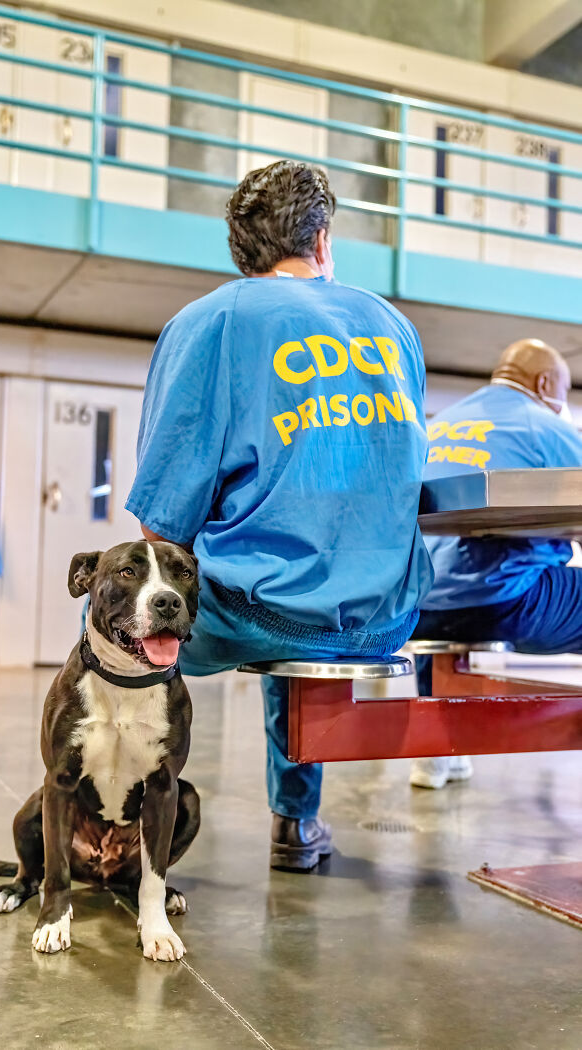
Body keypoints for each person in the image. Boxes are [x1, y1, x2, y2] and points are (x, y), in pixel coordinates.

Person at [126, 160, 433, 871]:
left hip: (257, 614)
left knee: (121, 608)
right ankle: (295, 824)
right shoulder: (395, 325)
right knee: (291, 596)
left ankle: (103, 825)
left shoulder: (212, 320)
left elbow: (160, 526)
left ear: (240, 252)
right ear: (322, 241)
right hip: (389, 612)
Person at [411, 338, 582, 789]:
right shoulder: (546, 428)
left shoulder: (436, 425)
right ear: (545, 383)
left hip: (416, 613)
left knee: (440, 577)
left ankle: (435, 751)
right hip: (505, 606)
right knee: (495, 580)